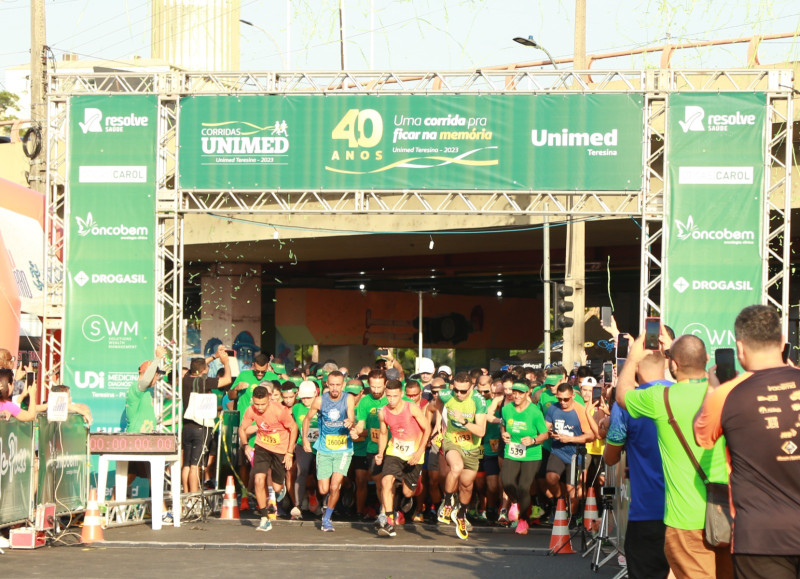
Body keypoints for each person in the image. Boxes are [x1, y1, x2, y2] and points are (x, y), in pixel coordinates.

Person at [694, 305, 800, 579]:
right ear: (782, 343)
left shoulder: (726, 394)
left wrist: (713, 390)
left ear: (740, 348)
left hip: (760, 537)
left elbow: (701, 436)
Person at [617, 332, 731, 579]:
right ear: (707, 358)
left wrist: (633, 358)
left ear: (674, 364)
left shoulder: (662, 398)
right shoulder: (727, 394)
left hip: (685, 521)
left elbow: (622, 395)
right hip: (729, 514)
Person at [605, 349, 672, 579]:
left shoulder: (628, 403)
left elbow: (610, 457)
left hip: (647, 512)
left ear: (635, 367)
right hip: (688, 513)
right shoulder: (689, 395)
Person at [436, 372, 492, 540]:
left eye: (463, 391)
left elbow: (481, 432)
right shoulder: (446, 394)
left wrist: (465, 422)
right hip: (452, 441)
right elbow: (437, 403)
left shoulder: (478, 401)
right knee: (456, 467)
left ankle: (460, 515)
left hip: (472, 448)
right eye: (457, 390)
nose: (459, 394)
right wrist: (440, 422)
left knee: (467, 486)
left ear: (472, 388)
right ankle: (447, 504)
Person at [374, 379, 431, 537]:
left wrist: (420, 452)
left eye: (394, 396)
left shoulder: (411, 408)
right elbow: (384, 433)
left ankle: (415, 484)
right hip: (395, 451)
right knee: (386, 481)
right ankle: (389, 521)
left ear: (401, 394)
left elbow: (427, 429)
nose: (391, 400)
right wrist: (381, 452)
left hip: (414, 454)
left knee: (408, 493)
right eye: (389, 396)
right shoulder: (383, 411)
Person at [238, 384, 297, 532]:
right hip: (262, 446)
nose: (259, 408)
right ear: (252, 400)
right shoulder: (251, 410)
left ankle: (279, 486)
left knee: (277, 487)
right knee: (258, 478)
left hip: (280, 450)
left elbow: (294, 428)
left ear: (269, 399)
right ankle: (264, 518)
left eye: (263, 404)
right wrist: (245, 445)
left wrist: (289, 453)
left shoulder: (279, 410)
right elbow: (242, 428)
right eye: (256, 404)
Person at [302, 370, 355, 532]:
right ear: (327, 384)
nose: (334, 388)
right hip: (324, 449)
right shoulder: (319, 401)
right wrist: (305, 439)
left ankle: (327, 519)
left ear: (343, 385)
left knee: (334, 486)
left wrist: (350, 422)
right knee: (324, 489)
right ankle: (331, 501)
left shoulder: (348, 398)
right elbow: (307, 419)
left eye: (338, 385)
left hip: (343, 449)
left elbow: (352, 417)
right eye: (331, 385)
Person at [500, 380, 549, 535]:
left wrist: (533, 440)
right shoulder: (507, 409)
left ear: (528, 393)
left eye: (521, 392)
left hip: (532, 453)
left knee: (523, 487)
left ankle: (523, 520)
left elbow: (545, 434)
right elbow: (503, 424)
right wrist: (504, 434)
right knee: (506, 481)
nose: (517, 395)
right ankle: (515, 501)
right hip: (513, 450)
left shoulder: (534, 412)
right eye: (514, 392)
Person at [181, 346, 232, 493]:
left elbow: (197, 367)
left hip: (187, 427)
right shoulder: (205, 382)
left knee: (187, 464)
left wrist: (214, 356)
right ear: (204, 370)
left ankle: (185, 495)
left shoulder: (186, 379)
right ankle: (194, 496)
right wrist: (226, 363)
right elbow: (227, 379)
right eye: (207, 367)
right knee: (195, 466)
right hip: (200, 427)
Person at [544, 382, 595, 524]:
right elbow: (545, 428)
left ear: (573, 396)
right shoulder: (553, 408)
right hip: (558, 450)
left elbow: (590, 436)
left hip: (575, 454)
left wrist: (570, 438)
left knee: (571, 488)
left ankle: (572, 516)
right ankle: (560, 502)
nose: (562, 402)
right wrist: (550, 433)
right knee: (550, 478)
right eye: (559, 399)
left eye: (566, 399)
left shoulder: (580, 410)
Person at [352, 369, 388, 519]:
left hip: (392, 448)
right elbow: (361, 424)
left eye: (379, 387)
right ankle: (385, 513)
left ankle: (390, 509)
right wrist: (356, 431)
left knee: (390, 484)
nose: (376, 390)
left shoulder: (393, 398)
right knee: (381, 484)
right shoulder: (365, 401)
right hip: (373, 448)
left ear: (386, 384)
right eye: (373, 387)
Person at [291, 380, 319, 518]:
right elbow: (294, 428)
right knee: (301, 472)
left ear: (315, 394)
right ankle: (297, 506)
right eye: (303, 397)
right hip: (303, 445)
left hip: (321, 446)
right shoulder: (296, 408)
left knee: (321, 476)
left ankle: (323, 504)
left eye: (309, 397)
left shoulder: (322, 405)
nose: (306, 400)